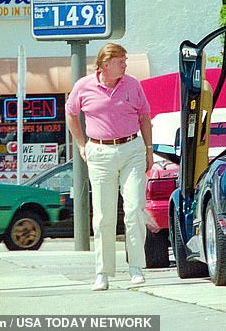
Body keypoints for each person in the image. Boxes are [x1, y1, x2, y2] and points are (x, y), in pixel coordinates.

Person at [65, 43, 153, 291]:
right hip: (100, 151)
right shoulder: (84, 86)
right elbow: (71, 113)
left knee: (135, 209)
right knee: (103, 215)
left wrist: (149, 150)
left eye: (125, 60)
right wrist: (82, 146)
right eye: (120, 61)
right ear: (105, 65)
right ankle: (102, 272)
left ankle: (136, 268)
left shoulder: (133, 84)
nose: (125, 64)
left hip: (131, 149)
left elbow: (145, 117)